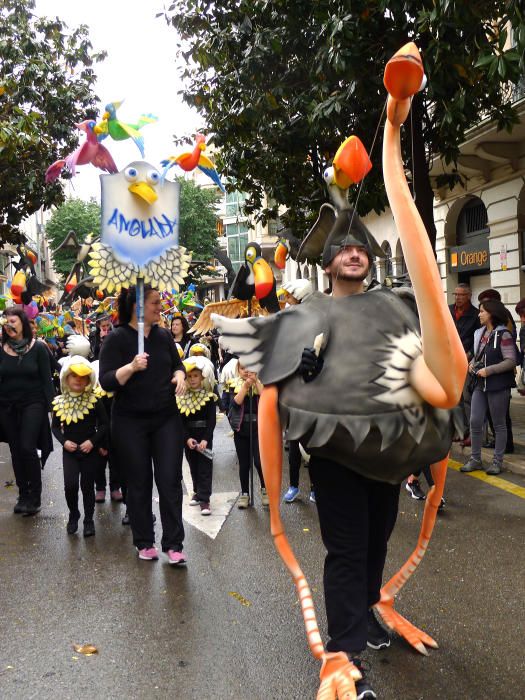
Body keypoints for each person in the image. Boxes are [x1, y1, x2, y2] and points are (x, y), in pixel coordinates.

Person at [99, 285, 187, 564]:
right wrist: (131, 368)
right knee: (138, 482)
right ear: (138, 307)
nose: (160, 307)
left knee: (170, 480)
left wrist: (180, 376)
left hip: (165, 418)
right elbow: (106, 381)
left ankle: (173, 544)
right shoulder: (116, 339)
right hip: (129, 421)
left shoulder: (163, 337)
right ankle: (144, 540)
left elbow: (177, 365)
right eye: (154, 303)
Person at [0, 307, 54, 515]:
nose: (9, 324)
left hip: (33, 403)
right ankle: (23, 494)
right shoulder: (1, 348)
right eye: (7, 321)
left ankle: (35, 496)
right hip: (7, 406)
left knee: (27, 447)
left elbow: (47, 381)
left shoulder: (38, 348)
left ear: (23, 322)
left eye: (13, 320)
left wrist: (54, 411)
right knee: (15, 450)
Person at [52, 355, 108, 536]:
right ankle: (74, 514)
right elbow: (54, 427)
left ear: (88, 381)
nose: (78, 379)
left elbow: (105, 424)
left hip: (89, 450)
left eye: (82, 377)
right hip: (70, 451)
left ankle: (89, 519)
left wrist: (92, 442)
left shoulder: (95, 401)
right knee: (70, 485)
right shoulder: (60, 402)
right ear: (66, 379)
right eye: (74, 376)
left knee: (87, 485)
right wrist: (63, 441)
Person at [461, 299, 517, 475]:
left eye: (482, 311)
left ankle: (497, 462)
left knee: (499, 425)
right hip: (480, 384)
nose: (479, 314)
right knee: (475, 421)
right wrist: (471, 363)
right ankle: (475, 459)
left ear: (491, 313)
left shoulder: (504, 335)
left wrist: (489, 370)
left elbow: (511, 361)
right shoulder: (480, 333)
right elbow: (477, 355)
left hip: (498, 385)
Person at [177, 356, 217, 515]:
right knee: (193, 465)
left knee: (204, 468)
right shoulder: (182, 397)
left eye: (196, 376)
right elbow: (180, 421)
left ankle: (205, 500)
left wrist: (206, 439)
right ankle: (196, 491)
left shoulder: (208, 397)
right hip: (189, 438)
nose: (192, 379)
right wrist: (186, 438)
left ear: (202, 377)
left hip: (204, 437)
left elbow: (212, 420)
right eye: (189, 376)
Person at [228, 362, 268, 509]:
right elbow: (236, 403)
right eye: (243, 368)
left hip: (258, 428)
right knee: (244, 464)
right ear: (238, 370)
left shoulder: (261, 383)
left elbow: (266, 399)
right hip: (241, 429)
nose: (246, 371)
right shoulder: (233, 384)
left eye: (250, 368)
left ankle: (265, 490)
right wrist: (245, 387)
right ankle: (245, 493)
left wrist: (256, 382)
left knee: (259, 461)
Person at [449, 283, 481, 444]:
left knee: (466, 398)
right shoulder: (448, 310)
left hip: (466, 361)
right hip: (448, 360)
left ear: (468, 295)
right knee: (453, 398)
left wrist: (469, 355)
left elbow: (478, 340)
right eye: (455, 294)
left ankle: (468, 431)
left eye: (461, 295)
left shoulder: (476, 315)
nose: (457, 298)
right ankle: (458, 429)